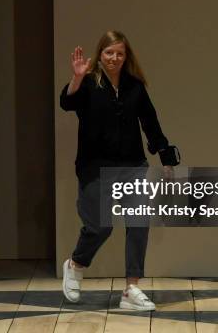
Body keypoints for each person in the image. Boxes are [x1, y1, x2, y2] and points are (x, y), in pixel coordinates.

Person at [59, 31, 180, 310]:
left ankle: (131, 289)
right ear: (100, 55)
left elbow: (150, 122)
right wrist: (77, 77)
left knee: (139, 222)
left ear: (127, 57)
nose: (114, 58)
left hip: (132, 166)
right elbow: (67, 103)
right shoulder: (88, 84)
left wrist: (166, 156)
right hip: (95, 167)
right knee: (100, 226)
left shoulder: (134, 86)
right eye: (109, 53)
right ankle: (76, 263)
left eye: (120, 53)